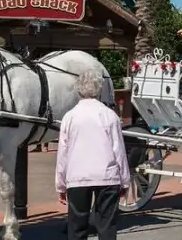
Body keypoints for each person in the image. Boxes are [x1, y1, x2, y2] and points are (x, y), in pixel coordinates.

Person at [55, 69, 129, 240]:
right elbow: (119, 151)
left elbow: (63, 154)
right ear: (99, 89)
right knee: (107, 226)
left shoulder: (69, 117)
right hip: (107, 176)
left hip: (77, 176)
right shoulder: (109, 115)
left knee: (77, 227)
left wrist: (61, 184)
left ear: (78, 89)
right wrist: (124, 180)